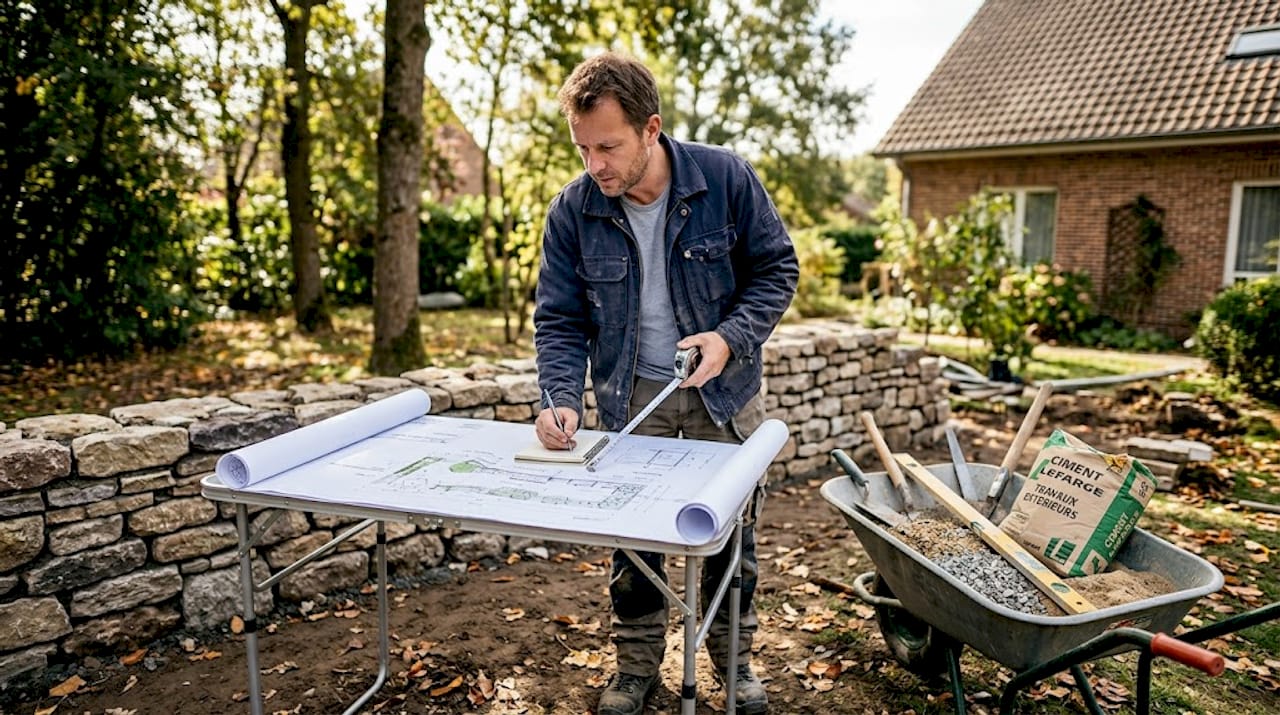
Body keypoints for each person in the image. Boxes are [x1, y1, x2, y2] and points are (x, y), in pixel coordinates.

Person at [532, 52, 798, 715]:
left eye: (609, 146)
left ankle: (733, 665)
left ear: (651, 129)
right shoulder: (573, 210)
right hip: (631, 404)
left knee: (730, 541)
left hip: (724, 399)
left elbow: (778, 270)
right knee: (636, 544)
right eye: (584, 148)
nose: (596, 165)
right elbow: (559, 321)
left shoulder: (726, 178)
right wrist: (559, 400)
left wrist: (729, 336)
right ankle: (635, 670)